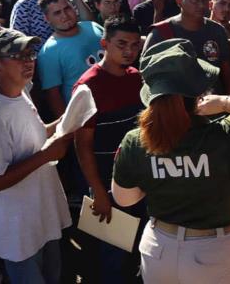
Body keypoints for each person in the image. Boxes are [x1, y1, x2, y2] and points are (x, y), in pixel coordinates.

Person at [111, 38, 230, 284]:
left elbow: (124, 198)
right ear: (199, 93)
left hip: (159, 249)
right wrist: (224, 103)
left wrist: (163, 174)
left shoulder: (134, 140)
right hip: (217, 253)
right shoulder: (225, 135)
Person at [0, 29, 72, 284]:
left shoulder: (20, 91)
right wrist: (47, 155)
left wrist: (67, 122)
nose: (29, 62)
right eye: (19, 56)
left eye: (30, 54)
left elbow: (32, 137)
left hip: (40, 216)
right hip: (18, 233)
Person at [73, 17, 144, 284]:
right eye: (121, 44)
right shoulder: (87, 86)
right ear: (105, 44)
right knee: (113, 256)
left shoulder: (137, 78)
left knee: (137, 250)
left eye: (135, 45)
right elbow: (83, 146)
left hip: (138, 179)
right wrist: (98, 191)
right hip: (106, 183)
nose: (129, 51)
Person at [143, 0, 230, 96]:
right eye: (195, 0)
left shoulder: (217, 30)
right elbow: (147, 74)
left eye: (205, 0)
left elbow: (228, 72)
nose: (201, 5)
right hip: (176, 104)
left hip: (213, 102)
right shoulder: (161, 32)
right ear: (179, 1)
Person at [37, 0, 104, 118]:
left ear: (73, 7)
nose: (65, 16)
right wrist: (68, 130)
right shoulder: (48, 52)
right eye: (57, 13)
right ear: (47, 18)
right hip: (86, 118)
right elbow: (53, 96)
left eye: (67, 8)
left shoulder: (93, 26)